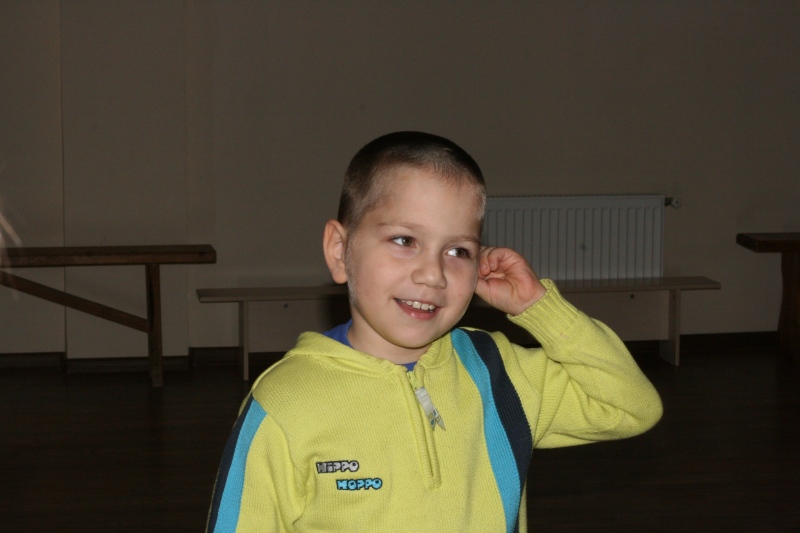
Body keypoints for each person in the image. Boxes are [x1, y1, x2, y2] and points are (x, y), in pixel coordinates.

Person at [207, 131, 663, 532]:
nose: (432, 274)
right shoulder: (285, 402)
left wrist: (539, 308)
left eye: (458, 251)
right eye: (405, 240)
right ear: (340, 250)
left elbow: (630, 407)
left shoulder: (501, 374)